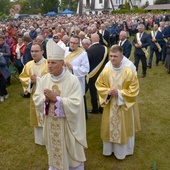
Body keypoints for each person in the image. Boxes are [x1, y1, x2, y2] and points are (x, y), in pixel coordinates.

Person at [33, 40, 87, 170]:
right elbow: (36, 98)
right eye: (48, 62)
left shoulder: (73, 80)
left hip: (67, 125)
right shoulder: (45, 79)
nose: (50, 66)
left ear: (62, 64)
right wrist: (45, 100)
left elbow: (76, 104)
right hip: (51, 123)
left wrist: (56, 99)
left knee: (69, 149)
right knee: (54, 148)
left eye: (53, 63)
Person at [95, 45, 141, 160]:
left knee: (123, 128)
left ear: (121, 57)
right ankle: (108, 150)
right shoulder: (106, 71)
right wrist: (108, 92)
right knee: (109, 126)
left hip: (123, 107)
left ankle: (122, 152)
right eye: (110, 56)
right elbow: (99, 85)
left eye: (115, 56)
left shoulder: (128, 72)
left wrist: (120, 93)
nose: (112, 59)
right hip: (110, 105)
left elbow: (134, 89)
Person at [19, 42, 48, 145]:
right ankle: (39, 140)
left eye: (36, 51)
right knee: (36, 117)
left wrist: (38, 80)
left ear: (42, 52)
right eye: (32, 51)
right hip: (34, 95)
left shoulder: (48, 64)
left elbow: (52, 80)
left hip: (45, 96)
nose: (34, 53)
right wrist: (31, 81)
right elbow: (23, 77)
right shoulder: (29, 65)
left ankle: (47, 139)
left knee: (45, 117)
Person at [64, 35, 89, 119]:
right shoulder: (65, 50)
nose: (72, 45)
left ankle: (81, 117)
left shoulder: (83, 53)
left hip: (77, 80)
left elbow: (86, 69)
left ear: (78, 44)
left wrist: (72, 68)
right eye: (71, 42)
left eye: (75, 43)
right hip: (65, 79)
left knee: (78, 98)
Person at [87, 33, 108, 113]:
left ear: (91, 40)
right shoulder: (105, 48)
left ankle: (95, 108)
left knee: (93, 93)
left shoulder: (90, 50)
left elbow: (87, 63)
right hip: (103, 73)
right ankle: (102, 107)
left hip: (92, 74)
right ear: (99, 39)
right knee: (103, 91)